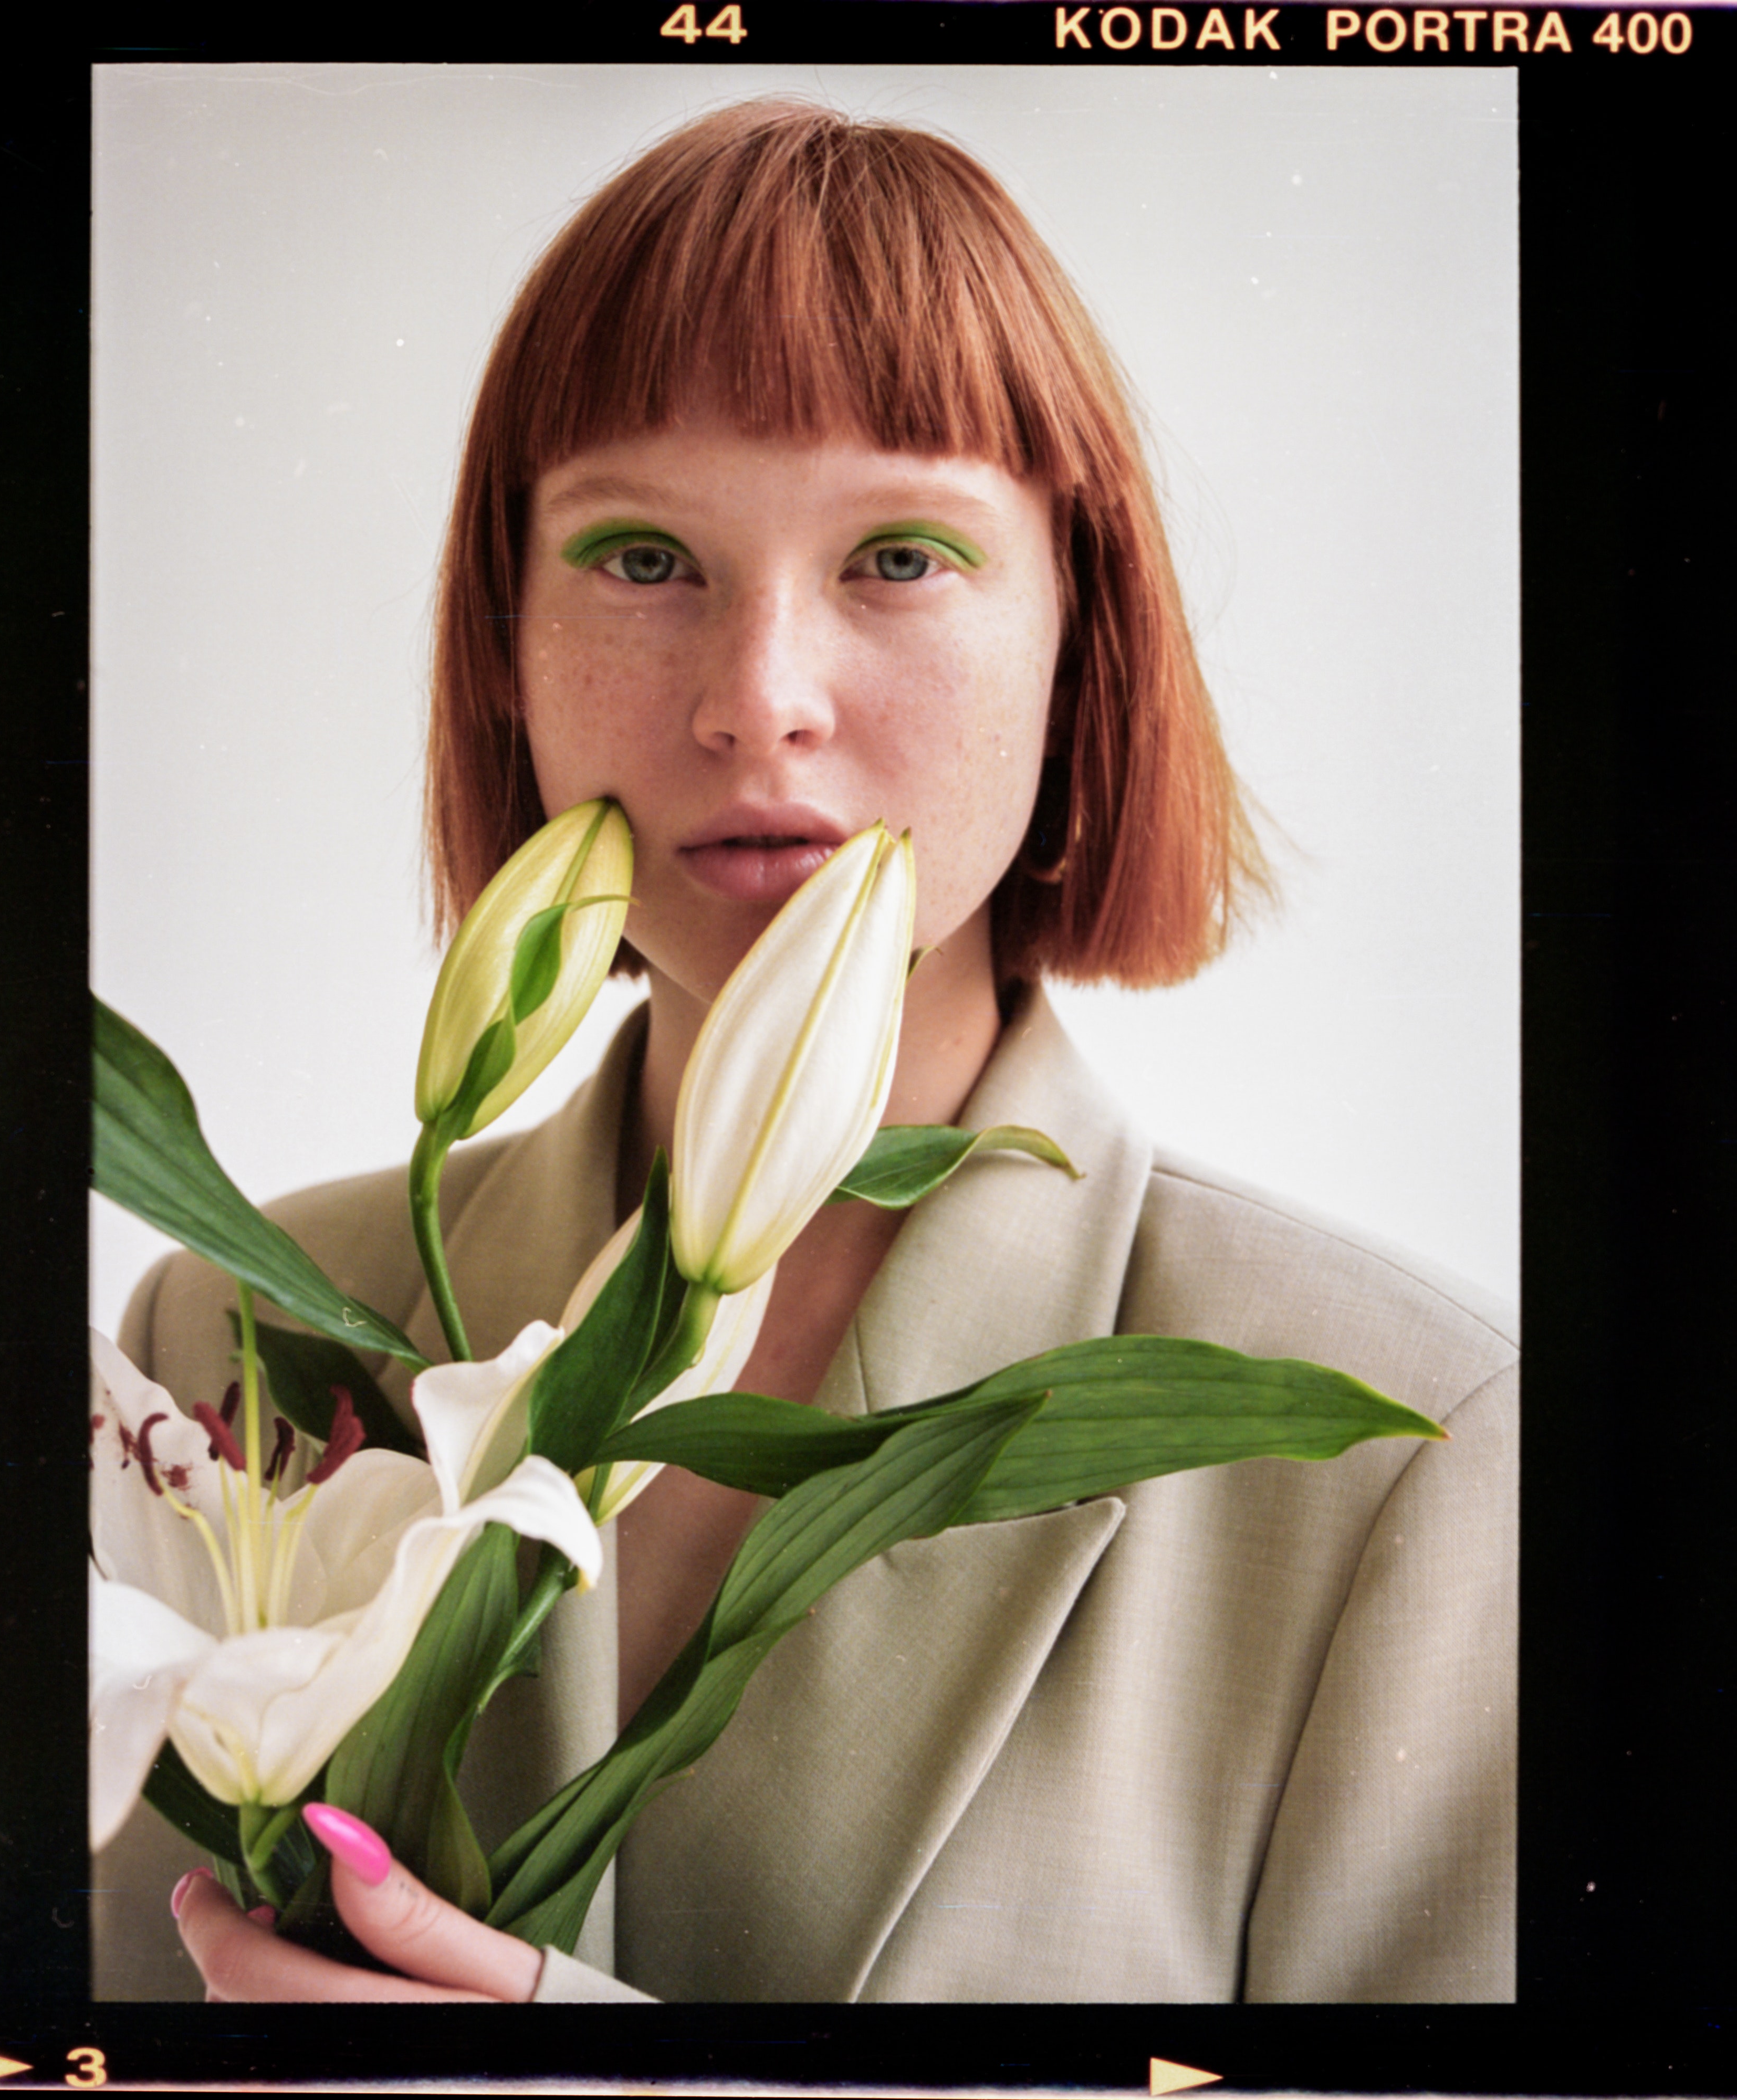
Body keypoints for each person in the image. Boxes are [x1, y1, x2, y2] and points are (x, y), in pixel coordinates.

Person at [95, 99, 1517, 2004]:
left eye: (903, 557)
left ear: (1081, 639)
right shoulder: (234, 1333)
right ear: (500, 642)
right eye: (640, 560)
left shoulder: (1413, 1448)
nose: (758, 701)